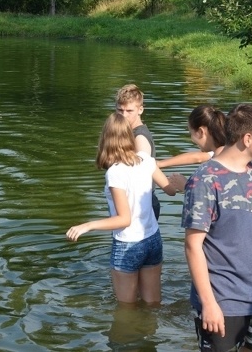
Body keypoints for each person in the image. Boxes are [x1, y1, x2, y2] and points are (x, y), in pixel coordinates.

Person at [182, 103, 252, 352]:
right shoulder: (204, 180)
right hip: (222, 301)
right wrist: (208, 303)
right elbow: (192, 245)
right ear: (247, 138)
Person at [66, 113, 183, 305]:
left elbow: (124, 219)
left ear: (106, 139)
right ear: (130, 136)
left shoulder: (115, 172)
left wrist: (87, 226)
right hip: (153, 239)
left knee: (126, 309)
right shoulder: (146, 160)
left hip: (128, 244)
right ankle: (154, 334)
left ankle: (131, 335)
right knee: (153, 304)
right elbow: (170, 191)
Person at [115, 84, 161, 220]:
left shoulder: (140, 137)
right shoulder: (127, 132)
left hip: (142, 202)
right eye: (120, 110)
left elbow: (144, 168)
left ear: (140, 110)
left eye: (129, 111)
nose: (124, 115)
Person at [157, 104, 227, 169]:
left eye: (191, 133)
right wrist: (159, 164)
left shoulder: (219, 157)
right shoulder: (225, 149)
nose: (192, 139)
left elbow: (197, 158)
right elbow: (196, 157)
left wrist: (183, 182)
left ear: (200, 132)